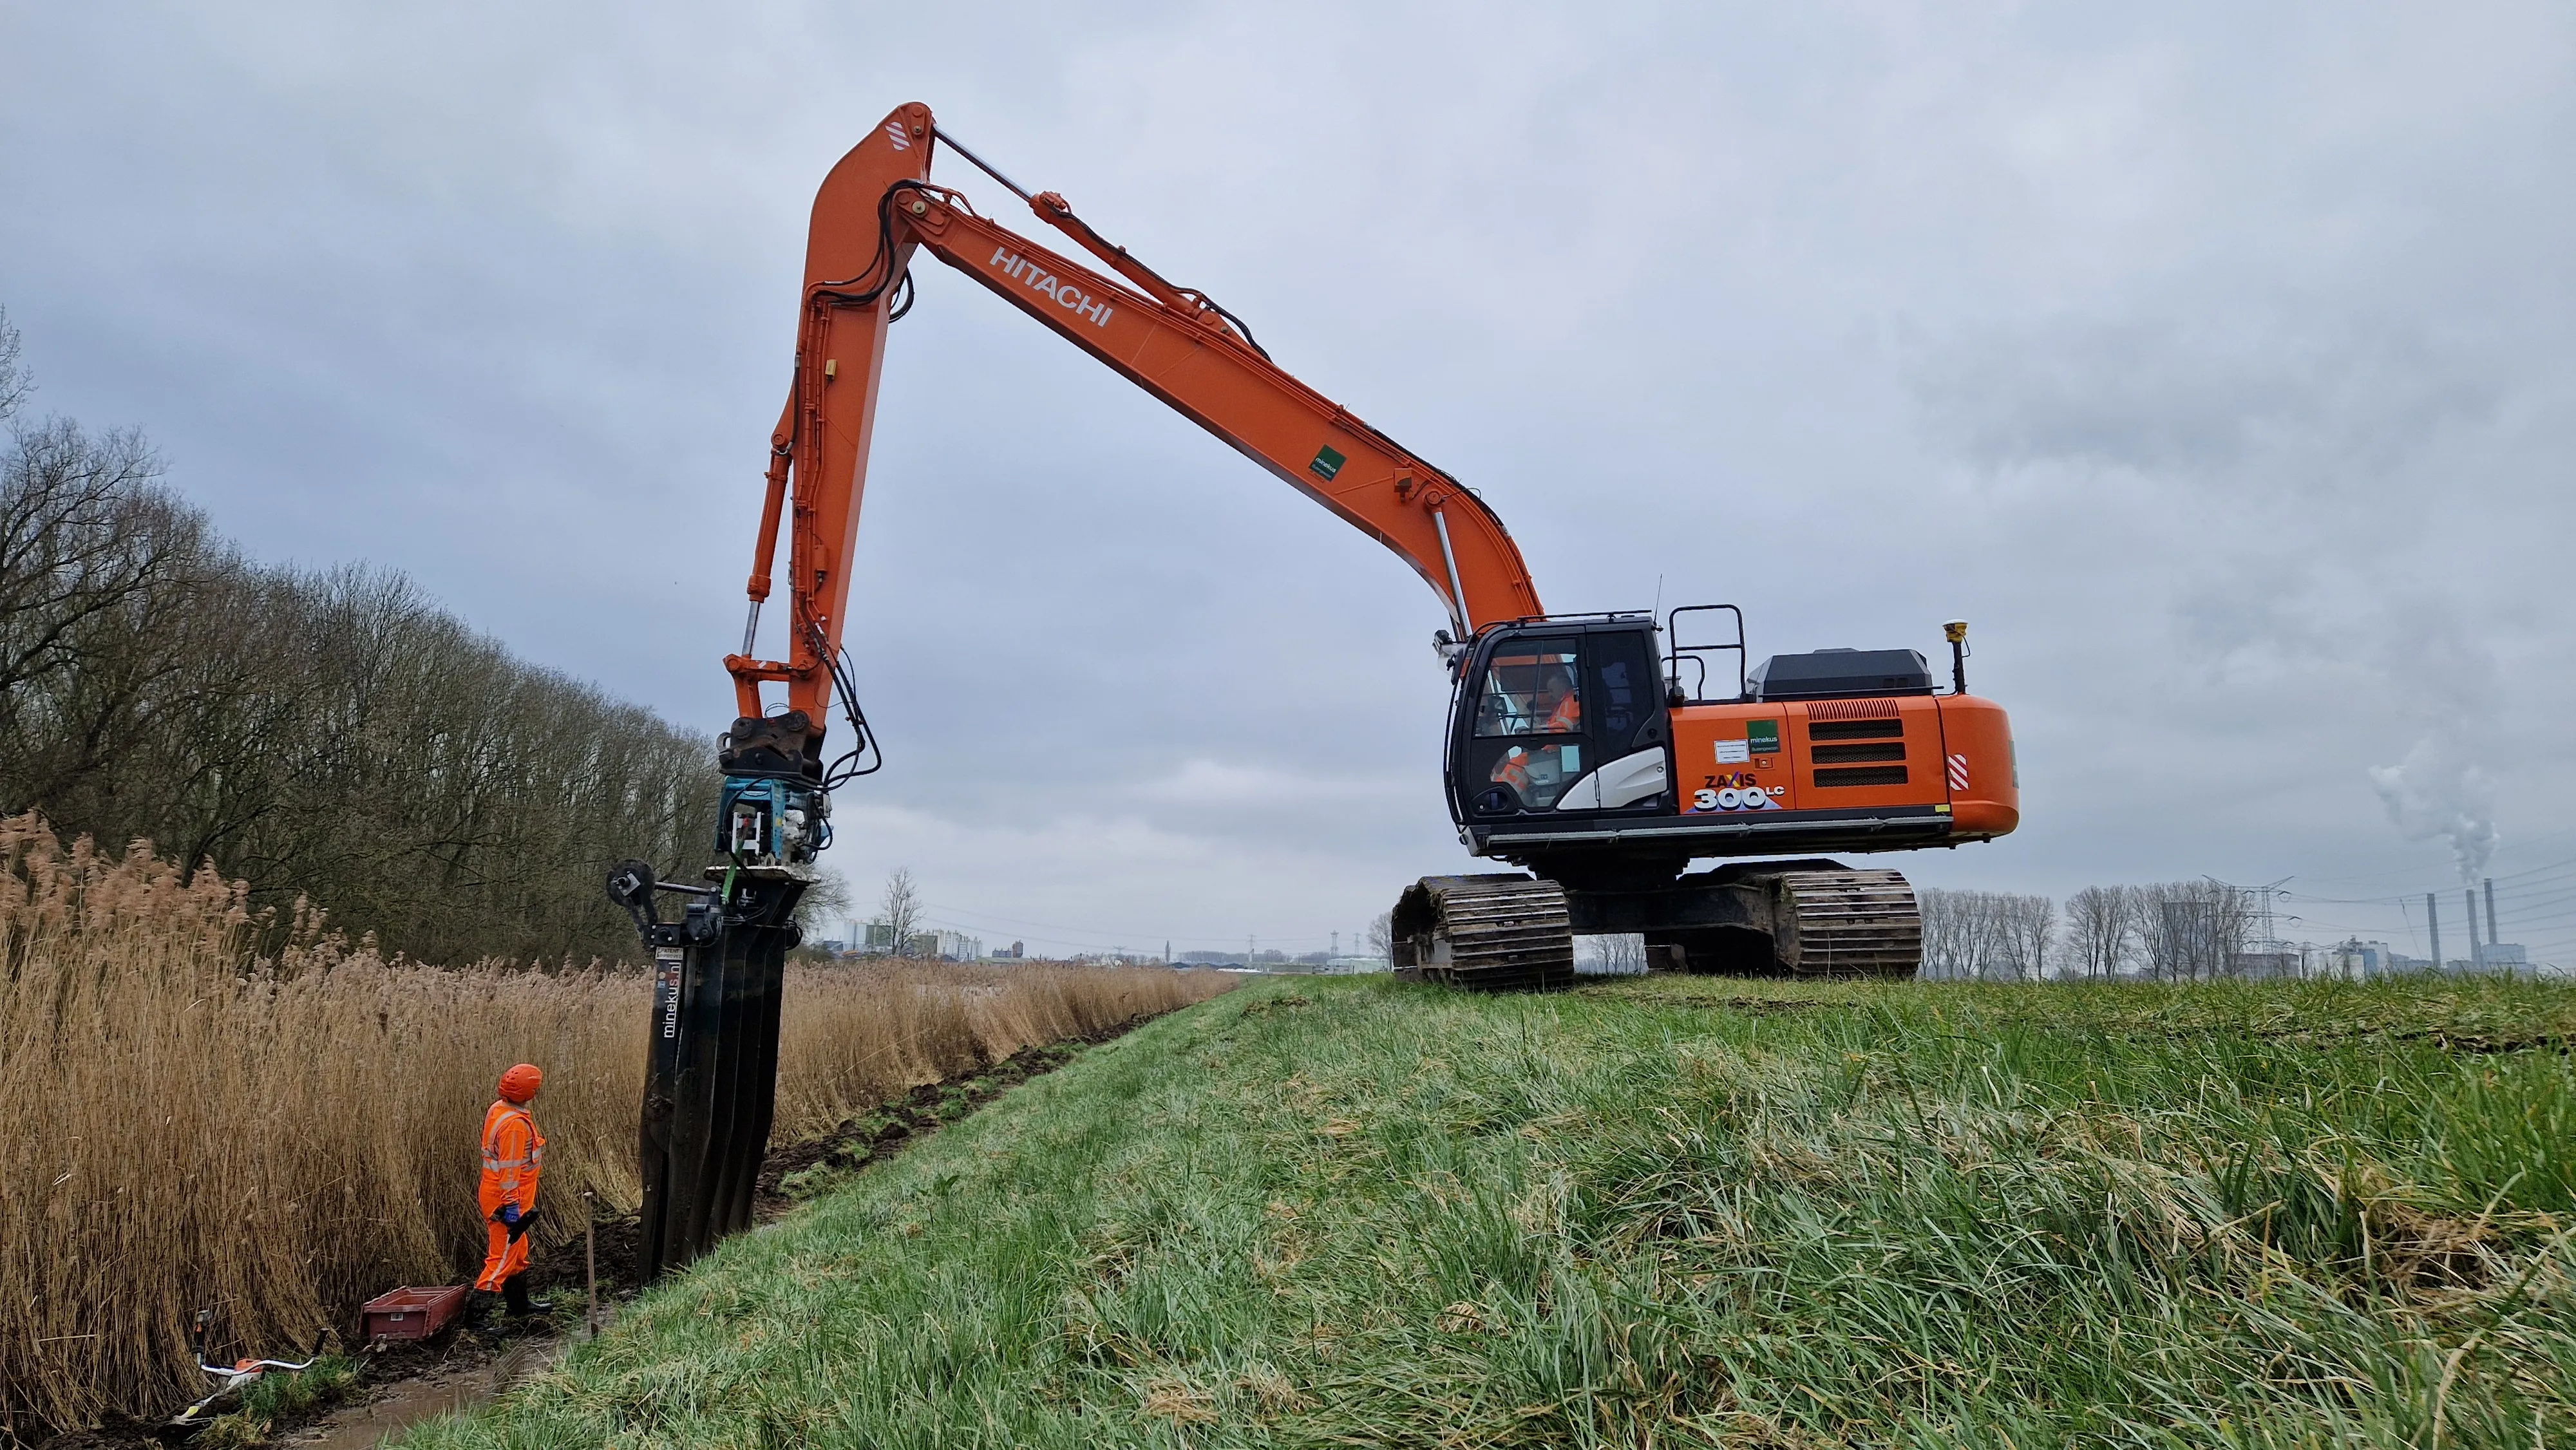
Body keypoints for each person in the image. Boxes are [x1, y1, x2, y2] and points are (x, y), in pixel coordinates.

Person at [473, 1063, 549, 1320]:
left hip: (501, 1196)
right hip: (505, 1202)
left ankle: (519, 1308)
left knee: (516, 1256)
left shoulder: (499, 1109)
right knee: (501, 1260)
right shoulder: (515, 1126)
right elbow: (509, 1172)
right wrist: (512, 1207)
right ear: (530, 1093)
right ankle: (475, 1320)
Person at [1490, 668, 1582, 795]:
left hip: (1559, 755)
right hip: (1555, 752)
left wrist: (1535, 731)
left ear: (1562, 689)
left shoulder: (1571, 702)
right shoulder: (1563, 704)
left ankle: (1503, 796)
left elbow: (1563, 728)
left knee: (1519, 763)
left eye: (1551, 690)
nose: (1549, 695)